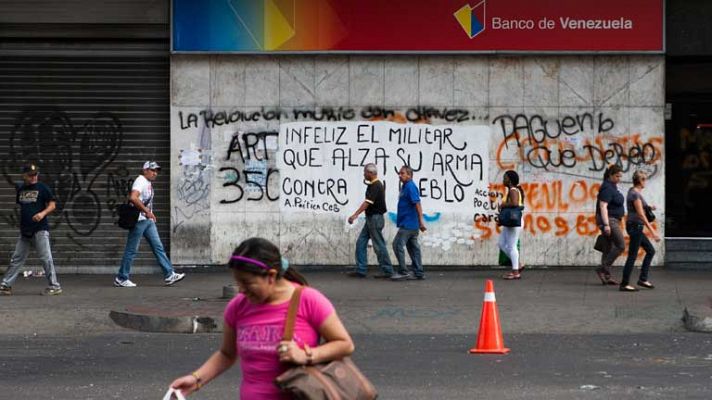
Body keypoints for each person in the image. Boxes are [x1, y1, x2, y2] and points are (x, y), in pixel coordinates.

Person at [168, 238, 354, 399]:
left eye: (247, 283)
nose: (241, 289)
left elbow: (344, 344)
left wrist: (306, 355)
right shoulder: (238, 306)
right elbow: (227, 354)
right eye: (238, 282)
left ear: (271, 276)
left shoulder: (308, 300)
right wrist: (196, 379)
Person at [114, 161, 184, 287]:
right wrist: (146, 211)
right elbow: (133, 198)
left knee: (158, 248)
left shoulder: (148, 182)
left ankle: (169, 274)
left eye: (156, 171)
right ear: (145, 170)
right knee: (131, 250)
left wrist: (149, 214)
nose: (155, 173)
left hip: (148, 221)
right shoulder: (140, 181)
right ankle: (121, 277)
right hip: (139, 221)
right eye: (152, 170)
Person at [0, 163, 62, 296]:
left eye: (35, 174)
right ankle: (6, 286)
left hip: (40, 229)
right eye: (31, 175)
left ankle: (55, 286)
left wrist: (42, 214)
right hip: (25, 231)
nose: (34, 177)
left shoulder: (42, 188)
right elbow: (23, 207)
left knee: (46, 258)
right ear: (24, 176)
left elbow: (52, 205)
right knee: (16, 258)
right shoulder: (21, 189)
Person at [347, 163, 395, 278]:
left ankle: (388, 271)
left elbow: (367, 203)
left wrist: (355, 215)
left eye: (365, 172)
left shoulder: (375, 185)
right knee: (361, 242)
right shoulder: (374, 185)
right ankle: (361, 269)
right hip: (371, 219)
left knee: (378, 245)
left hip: (375, 219)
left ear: (370, 173)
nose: (364, 174)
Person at [619, 170, 661, 292]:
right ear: (640, 180)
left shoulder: (633, 192)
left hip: (634, 226)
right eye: (644, 179)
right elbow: (641, 215)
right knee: (632, 255)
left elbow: (637, 207)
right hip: (636, 226)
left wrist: (649, 207)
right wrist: (653, 232)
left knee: (650, 251)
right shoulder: (635, 194)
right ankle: (624, 284)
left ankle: (642, 279)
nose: (645, 182)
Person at [391, 165, 426, 281]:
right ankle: (418, 272)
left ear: (409, 175)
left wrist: (421, 221)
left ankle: (403, 271)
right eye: (399, 173)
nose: (399, 176)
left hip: (409, 224)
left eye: (402, 173)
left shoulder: (410, 187)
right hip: (408, 223)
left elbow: (418, 204)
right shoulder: (405, 186)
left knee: (397, 244)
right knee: (413, 248)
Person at [595, 164, 625, 285]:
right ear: (611, 175)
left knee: (608, 247)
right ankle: (602, 269)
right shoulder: (607, 188)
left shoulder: (611, 186)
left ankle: (606, 276)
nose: (619, 178)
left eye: (620, 176)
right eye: (617, 176)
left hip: (613, 219)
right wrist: (606, 224)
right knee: (620, 245)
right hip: (610, 220)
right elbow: (603, 206)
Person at [498, 170, 525, 280]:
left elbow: (514, 204)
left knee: (511, 245)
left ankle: (515, 272)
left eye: (505, 177)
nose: (503, 179)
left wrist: (503, 204)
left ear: (509, 180)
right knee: (501, 244)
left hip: (514, 222)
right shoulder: (512, 190)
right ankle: (517, 264)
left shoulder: (513, 190)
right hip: (510, 222)